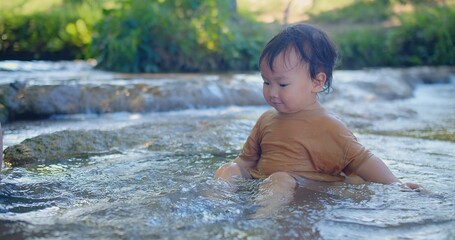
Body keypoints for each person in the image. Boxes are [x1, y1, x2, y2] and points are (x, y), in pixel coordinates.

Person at [214, 23, 422, 217]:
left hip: (306, 191)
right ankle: (217, 209)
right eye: (266, 82)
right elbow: (246, 161)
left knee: (281, 178)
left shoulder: (329, 126)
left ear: (317, 82)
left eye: (283, 84)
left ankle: (260, 220)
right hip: (263, 186)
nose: (272, 92)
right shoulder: (266, 120)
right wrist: (233, 171)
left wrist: (396, 185)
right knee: (228, 168)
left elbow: (364, 161)